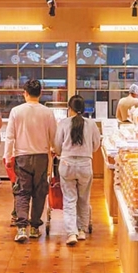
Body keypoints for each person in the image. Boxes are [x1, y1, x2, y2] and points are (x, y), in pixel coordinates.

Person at [4, 79, 57, 243]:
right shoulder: (47, 112)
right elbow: (54, 136)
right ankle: (34, 227)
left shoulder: (16, 111)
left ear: (25, 93)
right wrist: (55, 149)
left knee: (22, 191)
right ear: (40, 93)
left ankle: (21, 228)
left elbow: (10, 137)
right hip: (41, 157)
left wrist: (8, 156)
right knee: (40, 192)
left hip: (22, 157)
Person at [54, 95, 101, 246]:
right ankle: (82, 230)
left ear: (70, 108)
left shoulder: (63, 123)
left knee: (69, 199)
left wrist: (60, 153)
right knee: (84, 199)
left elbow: (57, 146)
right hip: (85, 165)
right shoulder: (91, 124)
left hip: (66, 164)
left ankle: (71, 233)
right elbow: (96, 145)